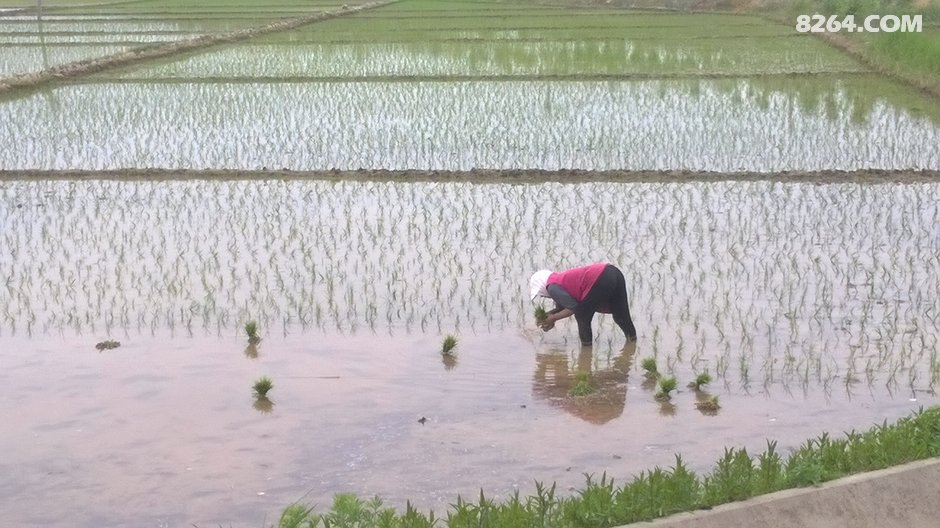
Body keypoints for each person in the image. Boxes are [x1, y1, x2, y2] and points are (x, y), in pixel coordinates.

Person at [530, 263, 637, 346]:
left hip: (601, 276)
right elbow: (562, 308)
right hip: (614, 272)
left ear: (542, 286)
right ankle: (633, 343)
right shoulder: (558, 281)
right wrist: (547, 316)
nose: (544, 296)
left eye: (541, 294)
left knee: (582, 315)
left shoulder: (552, 287)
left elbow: (573, 308)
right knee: (621, 315)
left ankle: (586, 352)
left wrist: (552, 318)